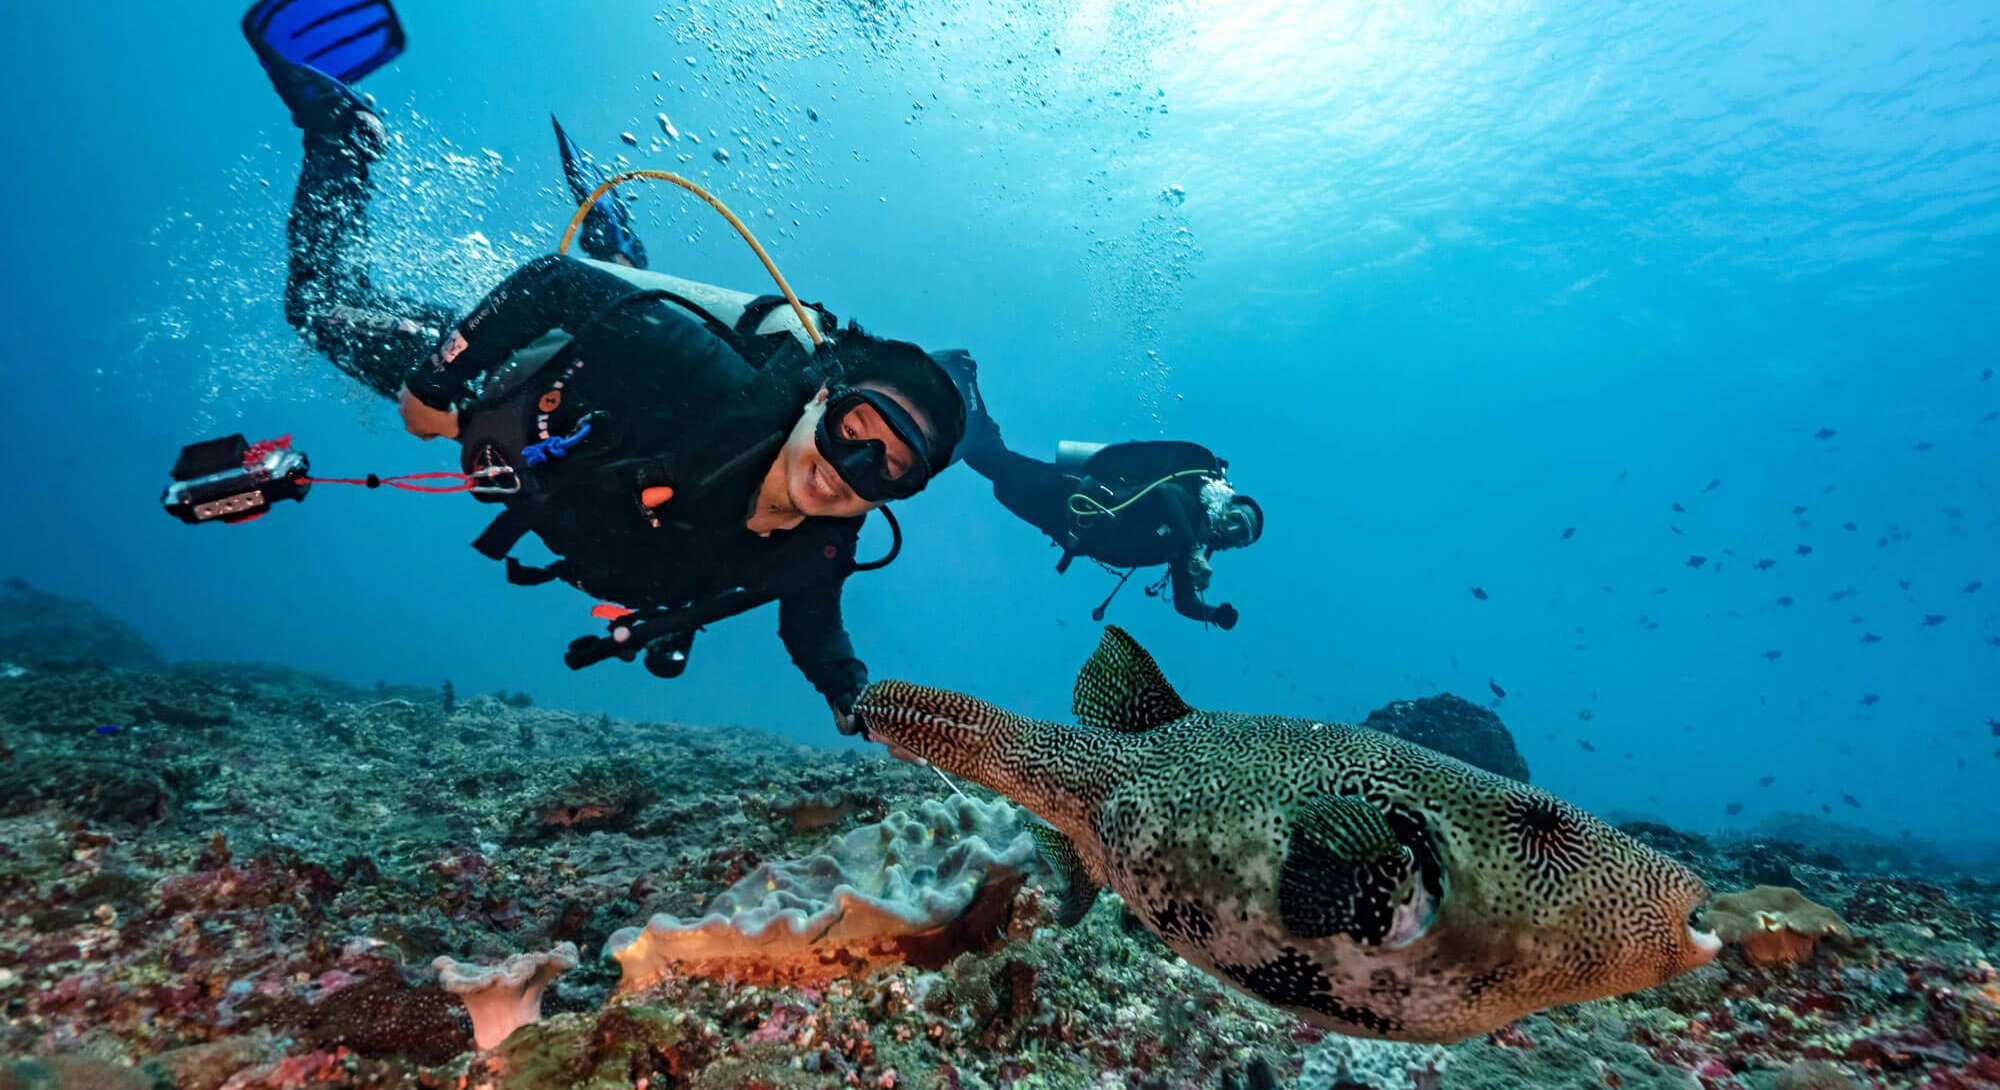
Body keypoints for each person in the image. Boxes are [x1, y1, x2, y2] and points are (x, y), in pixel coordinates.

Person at [242, 0, 968, 733]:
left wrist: (853, 697)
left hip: (574, 439)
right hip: (514, 381)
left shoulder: (823, 544)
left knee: (618, 322)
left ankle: (622, 261)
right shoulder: (709, 381)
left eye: (889, 467)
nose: (852, 467)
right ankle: (347, 137)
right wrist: (435, 387)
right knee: (315, 307)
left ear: (892, 497)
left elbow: (813, 628)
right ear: (822, 402)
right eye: (856, 428)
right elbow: (552, 283)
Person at [957, 409, 1262, 629]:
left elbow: (1184, 603)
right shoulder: (1191, 509)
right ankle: (963, 386)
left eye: (1242, 536)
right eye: (1236, 519)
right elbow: (1166, 494)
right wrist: (1195, 550)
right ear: (1226, 504)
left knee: (999, 476)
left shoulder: (1185, 548)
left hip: (1066, 525)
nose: (1233, 530)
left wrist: (1214, 614)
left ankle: (974, 417)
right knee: (989, 462)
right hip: (1068, 493)